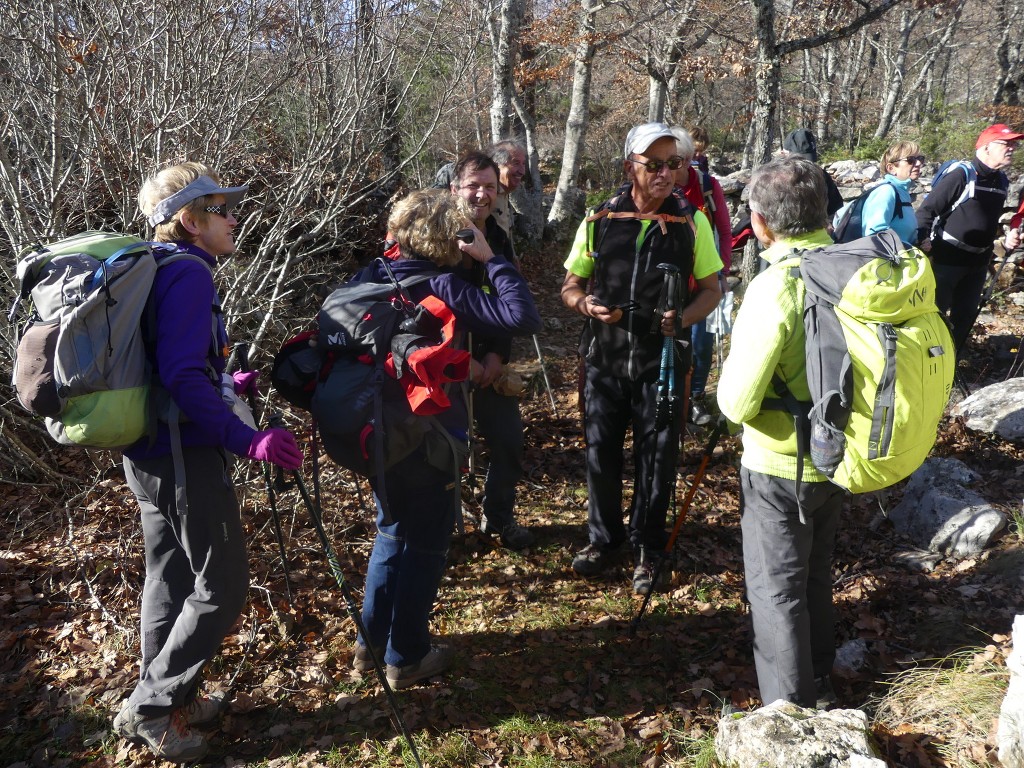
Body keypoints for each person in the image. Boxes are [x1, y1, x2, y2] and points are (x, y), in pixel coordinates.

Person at [112, 163, 305, 762]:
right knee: (221, 585)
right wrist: (245, 439)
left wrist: (226, 379)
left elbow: (175, 366)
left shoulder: (155, 266)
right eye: (221, 208)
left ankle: (174, 696)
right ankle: (148, 708)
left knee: (168, 578)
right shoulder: (189, 274)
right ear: (190, 220)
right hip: (182, 452)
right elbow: (179, 373)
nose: (233, 217)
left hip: (147, 450)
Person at [352, 189, 541, 688]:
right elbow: (522, 316)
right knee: (428, 543)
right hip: (430, 434)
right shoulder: (444, 284)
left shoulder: (372, 276)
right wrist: (491, 257)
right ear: (447, 238)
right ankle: (406, 657)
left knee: (392, 531)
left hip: (375, 431)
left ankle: (369, 647)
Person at [561, 121, 723, 595]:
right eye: (654, 164)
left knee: (657, 457)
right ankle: (602, 540)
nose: (666, 174)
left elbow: (712, 289)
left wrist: (683, 319)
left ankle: (649, 550)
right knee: (601, 454)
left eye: (675, 164)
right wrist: (584, 305)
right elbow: (570, 284)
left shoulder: (692, 221)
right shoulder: (599, 220)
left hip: (664, 363)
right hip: (604, 359)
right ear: (630, 165)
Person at [716, 156, 846, 710]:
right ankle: (822, 670)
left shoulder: (776, 286)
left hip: (779, 463)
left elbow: (737, 402)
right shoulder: (853, 267)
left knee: (777, 590)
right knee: (817, 572)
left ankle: (789, 714)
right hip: (842, 450)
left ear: (760, 220)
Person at [446, 150, 536, 549]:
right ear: (454, 189)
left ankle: (498, 519)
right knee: (443, 454)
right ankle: (445, 531)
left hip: (488, 363)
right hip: (443, 369)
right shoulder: (435, 238)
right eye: (473, 186)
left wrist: (496, 357)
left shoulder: (497, 237)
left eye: (489, 187)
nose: (482, 195)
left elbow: (509, 302)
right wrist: (459, 363)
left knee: (508, 441)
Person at [916, 123, 1024, 352]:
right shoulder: (961, 175)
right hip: (947, 260)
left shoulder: (1001, 181)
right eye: (1005, 143)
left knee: (964, 318)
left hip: (977, 263)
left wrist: (1007, 239)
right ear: (985, 148)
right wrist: (921, 241)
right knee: (934, 316)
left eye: (1014, 144)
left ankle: (952, 367)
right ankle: (927, 367)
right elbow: (927, 210)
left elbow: (987, 221)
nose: (1012, 148)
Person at [672, 127, 733, 425]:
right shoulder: (660, 188)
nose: (670, 168)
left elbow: (723, 230)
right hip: (669, 281)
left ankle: (694, 399)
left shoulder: (707, 186)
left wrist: (721, 271)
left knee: (702, 341)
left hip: (705, 280)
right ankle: (670, 396)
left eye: (676, 161)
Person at [835, 141, 922, 245]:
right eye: (911, 160)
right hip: (883, 259)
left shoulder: (902, 193)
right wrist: (908, 250)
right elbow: (876, 235)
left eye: (920, 159)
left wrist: (919, 242)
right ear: (891, 168)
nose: (918, 163)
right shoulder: (886, 192)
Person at [783, 128, 845, 218]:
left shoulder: (821, 175)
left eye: (808, 160)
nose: (805, 165)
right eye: (799, 160)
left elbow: (836, 208)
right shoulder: (773, 178)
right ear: (784, 154)